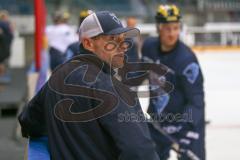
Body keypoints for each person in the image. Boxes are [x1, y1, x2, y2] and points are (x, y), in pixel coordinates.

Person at [18, 11, 160, 160]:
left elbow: (28, 121)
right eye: (112, 39)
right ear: (88, 43)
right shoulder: (112, 89)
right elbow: (140, 152)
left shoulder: (58, 76)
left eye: (122, 39)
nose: (123, 46)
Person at [141, 4, 205, 160]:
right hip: (157, 123)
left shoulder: (187, 60)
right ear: (158, 28)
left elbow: (196, 100)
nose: (172, 33)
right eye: (167, 28)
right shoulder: (149, 47)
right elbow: (142, 72)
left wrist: (186, 132)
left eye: (176, 28)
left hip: (185, 125)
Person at [0, 10, 13, 83]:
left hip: (5, 45)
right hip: (4, 46)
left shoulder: (7, 24)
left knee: (3, 61)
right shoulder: (5, 24)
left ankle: (3, 75)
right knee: (3, 61)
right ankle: (2, 75)